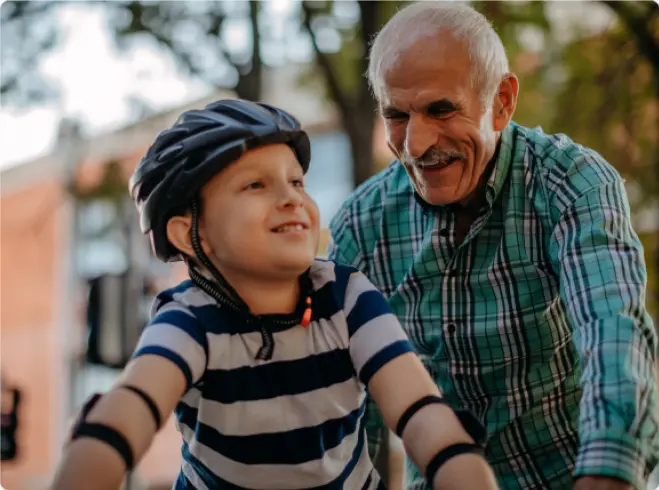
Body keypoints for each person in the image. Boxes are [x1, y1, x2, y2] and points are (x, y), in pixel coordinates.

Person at [49, 99, 500, 490]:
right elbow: (130, 409)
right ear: (189, 233)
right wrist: (97, 450)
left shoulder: (345, 297)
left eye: (297, 182)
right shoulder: (189, 320)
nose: (291, 199)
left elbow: (420, 411)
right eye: (255, 185)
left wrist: (456, 460)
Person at [327, 3, 659, 490]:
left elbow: (613, 332)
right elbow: (351, 411)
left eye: (441, 109)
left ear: (501, 101)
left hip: (578, 473)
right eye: (397, 115)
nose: (416, 145)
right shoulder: (361, 226)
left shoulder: (572, 184)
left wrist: (608, 473)